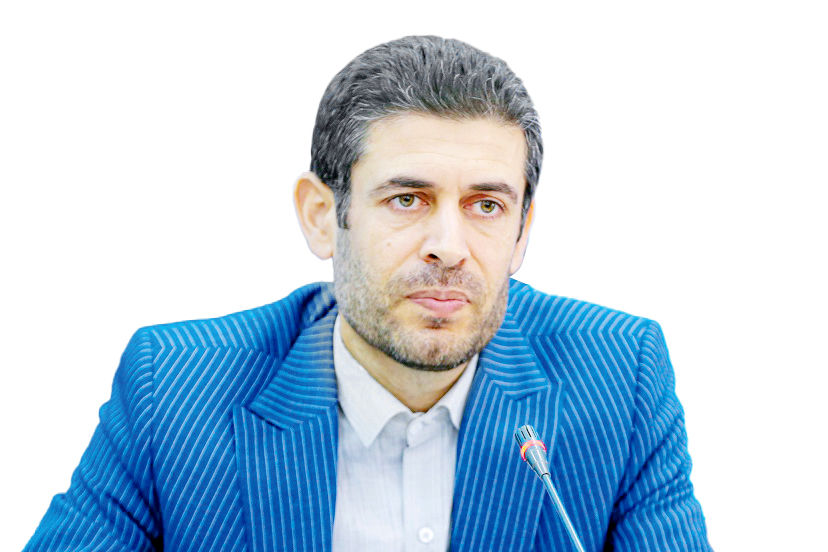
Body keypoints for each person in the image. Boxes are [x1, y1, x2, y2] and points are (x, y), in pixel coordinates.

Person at [26, 35, 711, 551]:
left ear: (523, 230)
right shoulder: (176, 389)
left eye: (487, 206)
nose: (450, 246)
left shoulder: (619, 376)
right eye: (408, 199)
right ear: (322, 216)